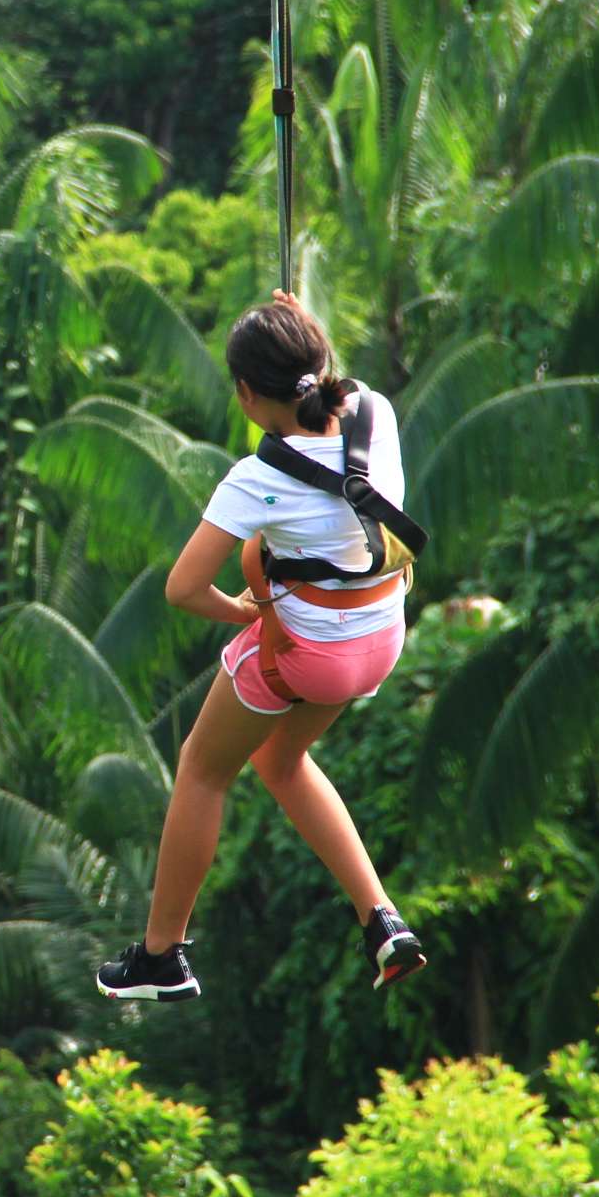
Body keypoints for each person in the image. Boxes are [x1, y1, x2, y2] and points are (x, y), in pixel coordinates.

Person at [96, 289, 428, 1003]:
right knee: (282, 760)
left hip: (308, 653)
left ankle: (161, 955)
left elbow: (183, 589)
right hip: (381, 635)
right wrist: (300, 323)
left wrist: (240, 610)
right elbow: (329, 382)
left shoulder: (258, 478)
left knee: (203, 769)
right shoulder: (376, 410)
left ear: (247, 396)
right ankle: (382, 919)